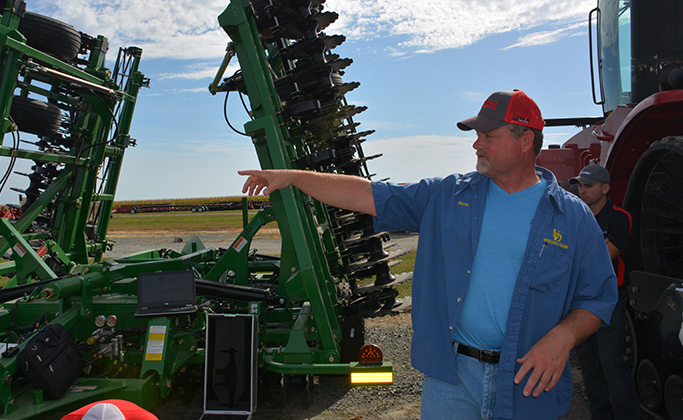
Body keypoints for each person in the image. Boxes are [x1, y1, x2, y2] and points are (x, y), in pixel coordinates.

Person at [239, 90, 617, 420]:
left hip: (529, 381)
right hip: (452, 377)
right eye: (476, 135)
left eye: (488, 135)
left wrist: (563, 338)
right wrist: (295, 177)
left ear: (525, 141)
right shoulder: (448, 196)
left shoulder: (572, 216)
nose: (476, 144)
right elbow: (366, 194)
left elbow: (597, 297)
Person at [570, 165, 641, 420]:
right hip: (578, 300)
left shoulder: (620, 218)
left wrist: (574, 258)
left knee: (611, 363)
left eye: (588, 186)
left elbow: (605, 258)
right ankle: (600, 414)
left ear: (605, 188)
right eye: (580, 185)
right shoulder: (576, 217)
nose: (582, 190)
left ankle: (628, 415)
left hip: (609, 298)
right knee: (589, 364)